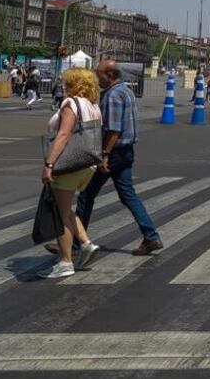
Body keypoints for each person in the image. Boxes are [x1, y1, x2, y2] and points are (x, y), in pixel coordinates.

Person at [68, 60, 163, 256]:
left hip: (113, 152)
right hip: (126, 151)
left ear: (109, 76)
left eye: (99, 73)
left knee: (86, 195)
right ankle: (151, 236)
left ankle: (76, 243)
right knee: (128, 195)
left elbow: (113, 130)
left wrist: (104, 155)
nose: (96, 77)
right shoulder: (126, 91)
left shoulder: (112, 95)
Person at [39, 68, 103, 278]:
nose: (63, 85)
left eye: (67, 82)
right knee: (65, 208)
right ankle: (85, 243)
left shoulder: (71, 104)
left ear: (75, 84)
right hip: (87, 164)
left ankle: (65, 262)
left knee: (60, 214)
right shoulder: (93, 106)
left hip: (69, 164)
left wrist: (49, 164)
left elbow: (64, 135)